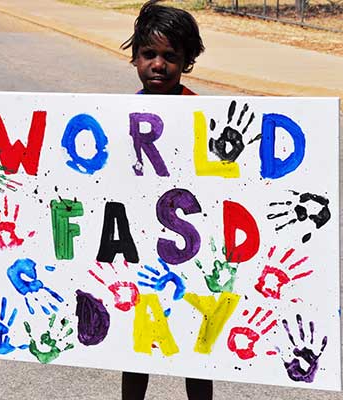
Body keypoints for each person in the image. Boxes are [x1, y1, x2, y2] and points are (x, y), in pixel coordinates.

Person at [120, 1, 212, 399]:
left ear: (188, 61)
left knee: (197, 346)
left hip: (190, 249)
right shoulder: (120, 115)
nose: (158, 64)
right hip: (140, 247)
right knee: (137, 346)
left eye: (170, 56)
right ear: (135, 58)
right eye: (149, 54)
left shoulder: (202, 114)